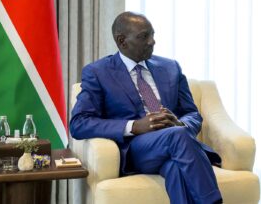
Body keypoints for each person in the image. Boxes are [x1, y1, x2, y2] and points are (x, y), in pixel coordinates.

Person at [70, 11, 222, 204]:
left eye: (152, 35)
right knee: (177, 136)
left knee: (175, 168)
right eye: (144, 37)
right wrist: (134, 126)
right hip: (137, 148)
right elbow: (79, 123)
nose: (152, 42)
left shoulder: (171, 67)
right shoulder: (98, 72)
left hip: (176, 144)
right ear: (122, 41)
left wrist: (180, 123)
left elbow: (191, 113)